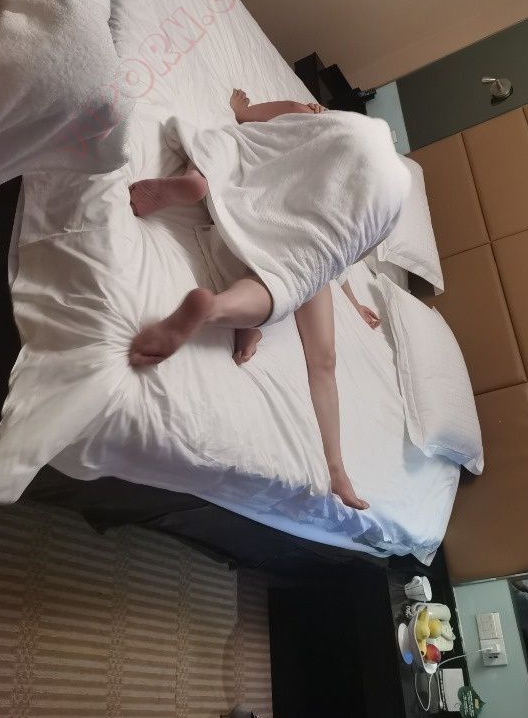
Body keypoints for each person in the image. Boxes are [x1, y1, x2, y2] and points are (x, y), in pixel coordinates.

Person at [127, 90, 386, 510]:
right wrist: (351, 302)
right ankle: (337, 469)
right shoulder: (359, 201)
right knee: (318, 349)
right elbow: (338, 251)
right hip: (305, 246)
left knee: (221, 150)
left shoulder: (307, 115)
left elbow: (249, 120)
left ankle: (198, 182)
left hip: (260, 201)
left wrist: (242, 108)